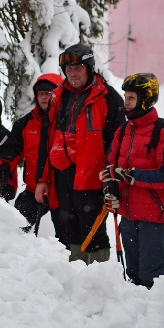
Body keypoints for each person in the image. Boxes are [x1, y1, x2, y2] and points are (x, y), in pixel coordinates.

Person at [35, 43, 125, 264]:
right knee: (67, 231)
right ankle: (74, 280)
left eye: (78, 68)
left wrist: (112, 180)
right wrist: (42, 179)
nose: (73, 74)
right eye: (68, 69)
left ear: (89, 67)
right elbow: (46, 142)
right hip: (62, 177)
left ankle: (97, 279)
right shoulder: (58, 98)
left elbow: (117, 144)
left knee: (93, 233)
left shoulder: (108, 98)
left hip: (93, 179)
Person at [99, 73, 164, 288]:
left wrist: (129, 175)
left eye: (131, 98)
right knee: (133, 275)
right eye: (125, 96)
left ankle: (156, 318)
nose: (125, 102)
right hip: (128, 215)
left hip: (154, 216)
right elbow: (110, 168)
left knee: (150, 276)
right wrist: (110, 189)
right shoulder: (122, 131)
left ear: (146, 99)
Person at [0, 73, 63, 234]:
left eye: (49, 93)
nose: (44, 97)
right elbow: (12, 148)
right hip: (34, 189)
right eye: (41, 94)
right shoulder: (25, 123)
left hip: (62, 191)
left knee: (66, 237)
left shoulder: (67, 121)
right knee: (15, 227)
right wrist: (4, 162)